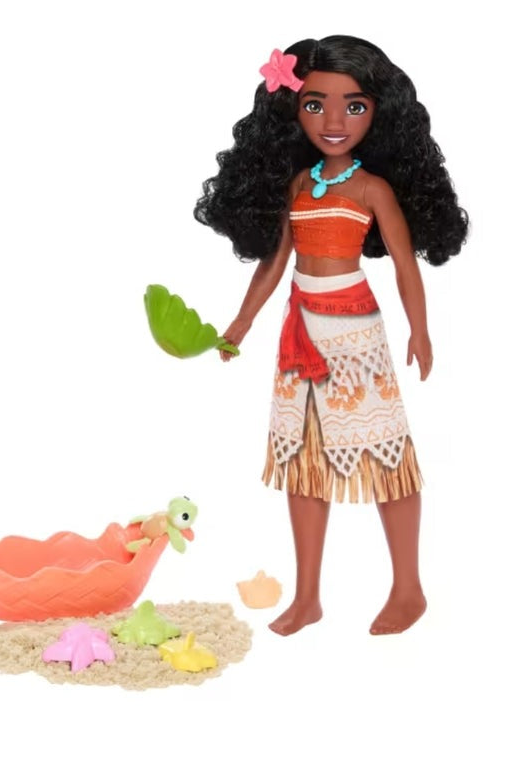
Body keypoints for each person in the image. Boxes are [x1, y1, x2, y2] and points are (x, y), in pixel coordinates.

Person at [194, 36, 468, 636]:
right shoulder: (298, 185)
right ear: (291, 110)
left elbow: (405, 265)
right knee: (302, 458)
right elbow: (274, 261)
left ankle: (409, 588)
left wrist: (420, 330)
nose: (334, 121)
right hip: (300, 330)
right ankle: (308, 596)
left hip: (354, 333)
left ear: (379, 113)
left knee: (386, 454)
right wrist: (240, 322)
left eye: (355, 106)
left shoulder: (372, 190)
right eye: (315, 105)